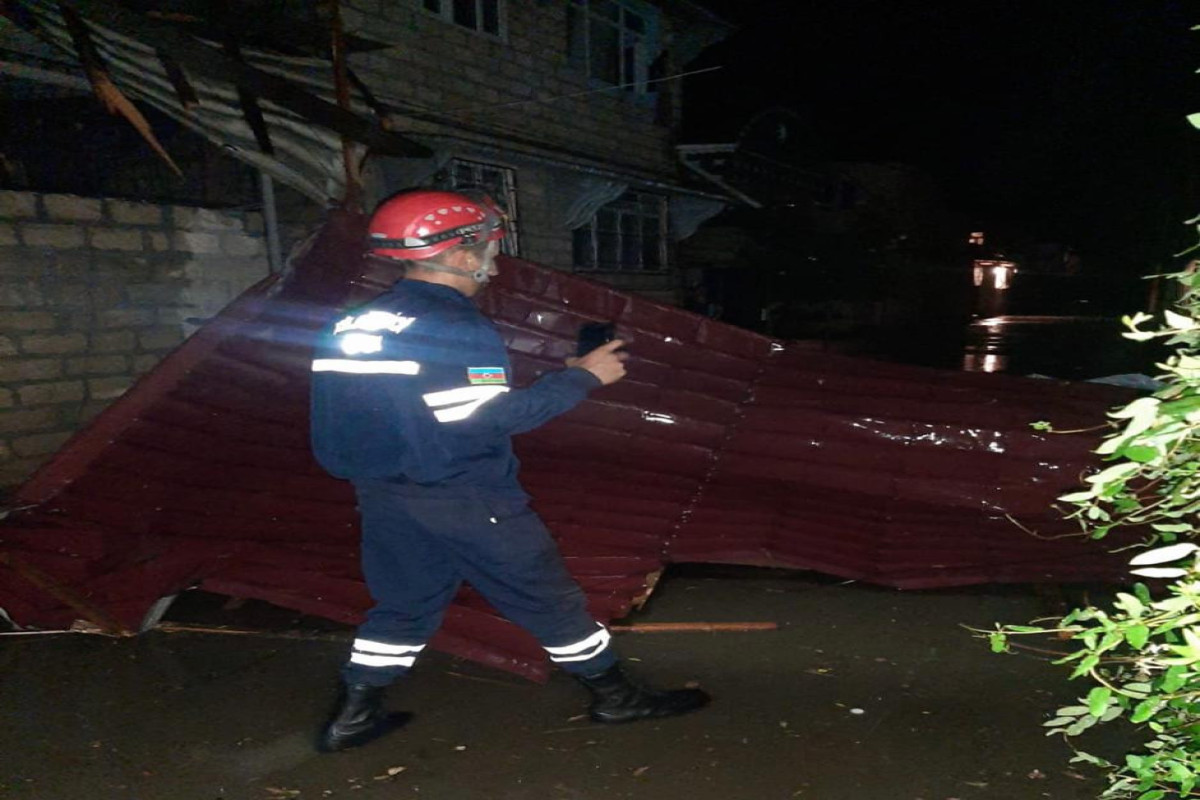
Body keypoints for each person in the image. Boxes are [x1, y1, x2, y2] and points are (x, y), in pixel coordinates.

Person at [309, 189, 710, 753]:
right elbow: (489, 418)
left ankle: (351, 717)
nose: (493, 257)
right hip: (465, 496)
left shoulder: (356, 322)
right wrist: (585, 377)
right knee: (549, 600)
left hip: (385, 494)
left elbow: (408, 404)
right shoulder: (456, 325)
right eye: (487, 245)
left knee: (403, 604)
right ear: (457, 254)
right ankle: (618, 697)